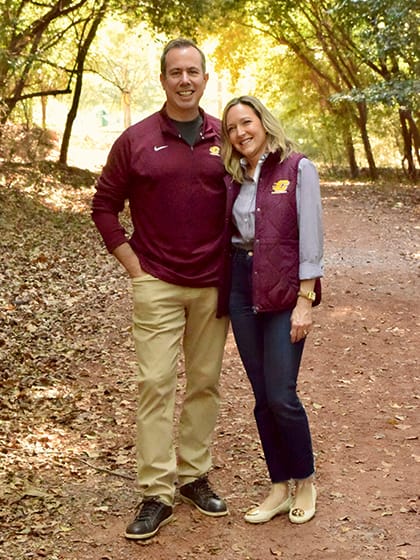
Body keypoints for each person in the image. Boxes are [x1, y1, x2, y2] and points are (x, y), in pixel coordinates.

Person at [91, 38, 229, 540]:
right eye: (176, 72)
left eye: (194, 71)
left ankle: (193, 475)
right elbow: (103, 206)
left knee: (204, 384)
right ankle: (156, 491)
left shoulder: (226, 137)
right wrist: (133, 267)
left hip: (213, 286)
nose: (185, 80)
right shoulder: (135, 139)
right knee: (155, 385)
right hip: (157, 284)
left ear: (206, 78)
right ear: (163, 78)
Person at [220, 95, 323, 525]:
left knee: (282, 395)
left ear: (263, 122)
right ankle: (278, 485)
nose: (241, 132)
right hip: (242, 288)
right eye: (231, 128)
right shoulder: (233, 177)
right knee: (262, 397)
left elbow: (311, 237)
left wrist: (305, 299)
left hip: (284, 289)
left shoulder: (297, 168)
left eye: (247, 122)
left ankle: (305, 479)